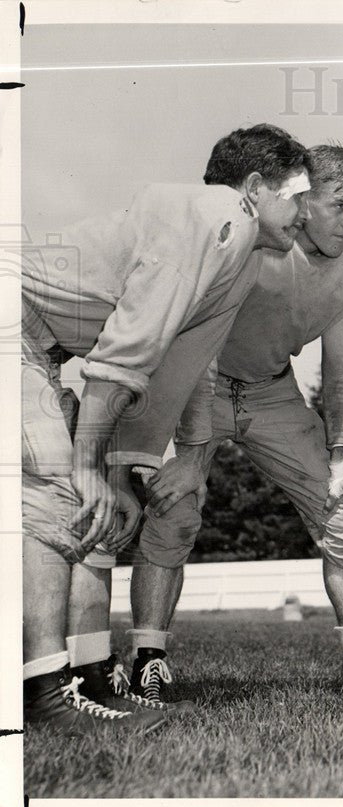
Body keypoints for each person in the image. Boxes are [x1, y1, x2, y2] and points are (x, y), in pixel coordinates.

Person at [21, 123, 311, 733]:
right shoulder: (218, 214)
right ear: (255, 188)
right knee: (56, 496)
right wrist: (84, 466)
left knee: (94, 517)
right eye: (299, 196)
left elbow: (177, 368)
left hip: (40, 346)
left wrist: (125, 471)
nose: (305, 214)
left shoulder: (243, 252)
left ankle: (89, 679)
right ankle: (40, 696)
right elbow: (129, 347)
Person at [113, 143, 343, 701]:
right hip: (199, 377)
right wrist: (192, 457)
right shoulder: (255, 235)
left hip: (271, 389)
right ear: (301, 199)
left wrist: (342, 455)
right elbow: (199, 341)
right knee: (175, 509)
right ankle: (149, 656)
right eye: (338, 206)